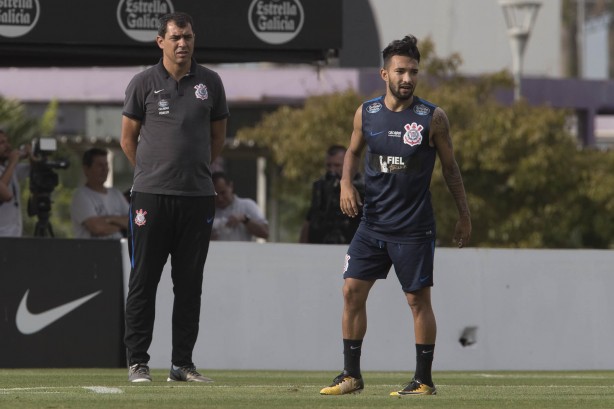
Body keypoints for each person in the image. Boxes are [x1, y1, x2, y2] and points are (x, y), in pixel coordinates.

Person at [319, 35, 471, 397]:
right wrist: (345, 184)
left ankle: (423, 380)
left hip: (413, 227)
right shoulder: (366, 112)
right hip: (372, 225)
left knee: (418, 301)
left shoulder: (432, 117)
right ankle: (351, 376)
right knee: (351, 291)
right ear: (384, 73)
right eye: (400, 71)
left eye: (413, 72)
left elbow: (451, 170)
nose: (407, 78)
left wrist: (464, 214)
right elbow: (353, 153)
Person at [120, 11, 229, 383]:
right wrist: (151, 174)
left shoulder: (211, 82)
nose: (183, 43)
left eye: (188, 37)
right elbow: (126, 139)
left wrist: (191, 173)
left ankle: (182, 364)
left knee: (189, 284)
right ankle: (137, 361)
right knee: (143, 280)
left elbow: (218, 139)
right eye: (176, 37)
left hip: (198, 197)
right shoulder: (143, 82)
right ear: (161, 42)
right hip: (150, 198)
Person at [299, 145, 363, 244]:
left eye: (337, 165)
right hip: (323, 243)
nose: (332, 170)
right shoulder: (320, 185)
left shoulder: (362, 186)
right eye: (329, 165)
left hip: (351, 242)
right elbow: (310, 218)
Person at [70, 148, 129, 239]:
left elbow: (133, 222)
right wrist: (122, 223)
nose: (104, 169)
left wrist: (109, 219)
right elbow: (98, 228)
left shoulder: (116, 194)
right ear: (86, 169)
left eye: (106, 165)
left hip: (118, 250)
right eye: (100, 165)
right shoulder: (81, 196)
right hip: (93, 251)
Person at [211, 171, 269, 241]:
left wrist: (245, 219)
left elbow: (265, 233)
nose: (220, 199)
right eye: (215, 195)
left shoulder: (247, 205)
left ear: (231, 186)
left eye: (223, 193)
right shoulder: (207, 211)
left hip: (242, 251)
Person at [0, 130, 30, 237]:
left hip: (14, 235)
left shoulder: (8, 168)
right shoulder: (10, 167)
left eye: (7, 142)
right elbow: (4, 195)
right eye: (2, 143)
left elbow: (34, 169)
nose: (7, 146)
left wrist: (32, 156)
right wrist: (13, 162)